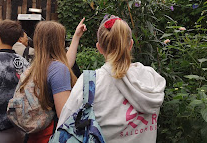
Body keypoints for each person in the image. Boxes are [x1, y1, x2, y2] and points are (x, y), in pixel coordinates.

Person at [57, 15, 166, 143]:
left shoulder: (90, 83)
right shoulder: (150, 77)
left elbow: (63, 130)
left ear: (99, 48)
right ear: (130, 44)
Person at [21, 18, 86, 142]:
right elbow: (64, 115)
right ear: (58, 42)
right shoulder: (58, 69)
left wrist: (76, 37)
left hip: (34, 136)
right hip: (51, 136)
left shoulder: (35, 67)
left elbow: (66, 63)